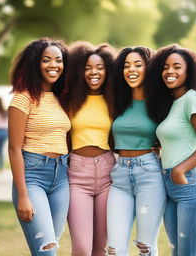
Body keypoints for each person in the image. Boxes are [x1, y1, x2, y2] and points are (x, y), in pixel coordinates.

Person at [145, 44, 196, 256]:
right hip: (171, 188)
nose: (170, 71)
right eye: (165, 67)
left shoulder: (192, 99)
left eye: (177, 66)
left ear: (189, 71)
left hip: (191, 187)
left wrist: (179, 170)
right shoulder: (174, 103)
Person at [8, 38, 71, 256]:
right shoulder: (22, 98)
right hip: (32, 176)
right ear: (35, 63)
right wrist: (23, 195)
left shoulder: (63, 98)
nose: (53, 65)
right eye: (46, 60)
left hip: (62, 177)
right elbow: (14, 149)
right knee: (47, 251)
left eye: (58, 60)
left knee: (50, 248)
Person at [106, 47, 166, 256]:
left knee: (146, 247)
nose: (131, 69)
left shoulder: (160, 102)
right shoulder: (118, 102)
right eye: (126, 65)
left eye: (138, 65)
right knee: (113, 249)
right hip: (120, 176)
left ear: (148, 68)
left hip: (149, 175)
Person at [66, 41, 116, 256]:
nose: (93, 72)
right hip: (77, 174)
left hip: (108, 172)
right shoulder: (69, 100)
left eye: (99, 68)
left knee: (99, 249)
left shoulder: (114, 100)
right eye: (87, 68)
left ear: (107, 71)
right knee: (82, 249)